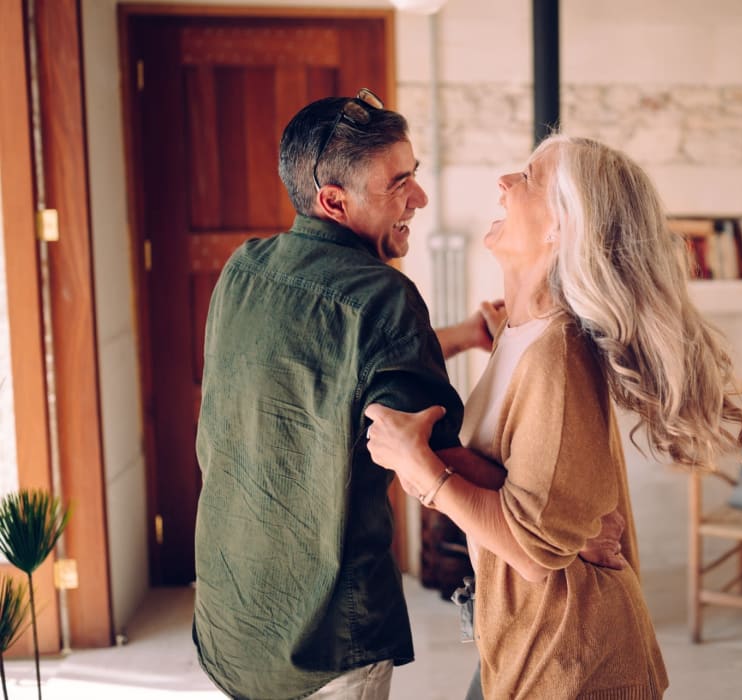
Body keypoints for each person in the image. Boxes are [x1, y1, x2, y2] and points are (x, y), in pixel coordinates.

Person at [364, 134, 742, 699]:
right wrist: (573, 528)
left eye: (528, 177)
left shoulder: (556, 354)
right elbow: (533, 494)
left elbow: (531, 549)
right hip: (533, 643)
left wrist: (422, 471)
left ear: (562, 227)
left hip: (574, 662)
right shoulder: (522, 335)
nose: (504, 184)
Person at [193, 88, 507, 699]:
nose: (418, 197)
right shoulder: (385, 298)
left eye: (413, 175)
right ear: (333, 200)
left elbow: (337, 364)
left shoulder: (245, 269)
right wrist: (556, 513)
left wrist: (465, 336)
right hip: (325, 635)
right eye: (398, 184)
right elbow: (432, 465)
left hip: (229, 616)